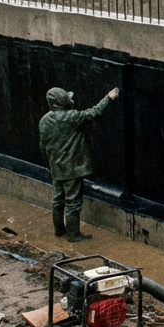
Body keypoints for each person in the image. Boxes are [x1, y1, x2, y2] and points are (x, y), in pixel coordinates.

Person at [39, 85, 120, 242]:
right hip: (72, 168)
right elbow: (94, 112)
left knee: (57, 199)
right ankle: (74, 234)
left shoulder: (44, 120)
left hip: (56, 166)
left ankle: (59, 230)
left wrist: (49, 165)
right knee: (73, 202)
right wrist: (108, 98)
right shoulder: (72, 117)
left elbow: (43, 146)